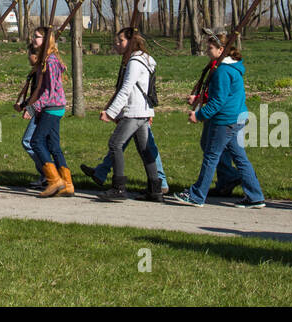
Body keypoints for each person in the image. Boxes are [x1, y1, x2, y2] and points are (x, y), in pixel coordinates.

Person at [171, 31, 265, 208]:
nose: (207, 50)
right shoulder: (230, 67)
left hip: (225, 120)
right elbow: (222, 96)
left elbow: (219, 101)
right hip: (236, 117)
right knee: (239, 157)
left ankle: (197, 195)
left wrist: (199, 115)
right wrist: (200, 100)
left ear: (221, 49)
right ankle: (254, 196)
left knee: (211, 156)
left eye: (210, 47)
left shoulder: (223, 71)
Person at [98, 27, 163, 202]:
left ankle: (118, 188)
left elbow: (126, 89)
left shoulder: (134, 62)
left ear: (131, 41)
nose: (117, 44)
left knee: (115, 144)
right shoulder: (145, 59)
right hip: (143, 111)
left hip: (134, 111)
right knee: (145, 150)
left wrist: (111, 113)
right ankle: (154, 189)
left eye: (121, 41)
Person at [23, 27, 73, 197]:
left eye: (37, 37)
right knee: (53, 146)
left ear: (46, 40)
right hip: (54, 107)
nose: (33, 39)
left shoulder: (50, 61)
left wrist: (33, 108)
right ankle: (67, 184)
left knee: (36, 141)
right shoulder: (47, 60)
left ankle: (54, 180)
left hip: (52, 107)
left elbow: (49, 92)